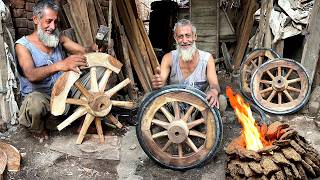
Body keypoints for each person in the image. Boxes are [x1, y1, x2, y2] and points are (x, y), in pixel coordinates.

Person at [15, 0, 98, 138]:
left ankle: (83, 123)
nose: (53, 27)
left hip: (65, 92)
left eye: (55, 21)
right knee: (34, 104)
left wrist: (93, 48)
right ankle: (38, 128)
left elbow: (84, 51)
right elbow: (31, 75)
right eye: (48, 21)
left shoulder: (58, 38)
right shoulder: (23, 46)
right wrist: (60, 65)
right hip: (43, 97)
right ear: (36, 19)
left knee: (96, 76)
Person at [151, 19, 227, 113]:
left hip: (199, 107)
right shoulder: (168, 58)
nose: (185, 41)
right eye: (180, 36)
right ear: (175, 38)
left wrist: (213, 92)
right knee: (148, 99)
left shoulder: (207, 59)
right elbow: (161, 80)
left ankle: (204, 125)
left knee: (221, 101)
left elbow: (214, 85)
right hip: (175, 107)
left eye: (188, 36)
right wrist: (158, 83)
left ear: (195, 36)